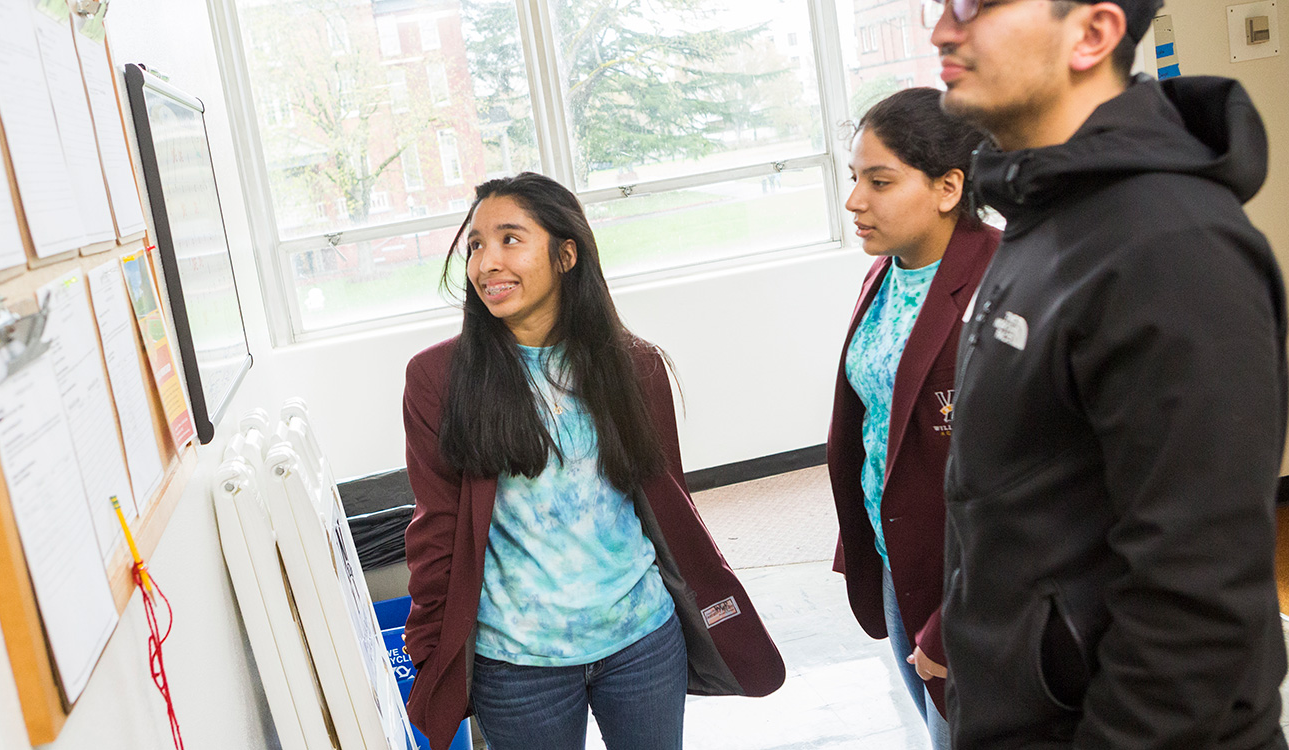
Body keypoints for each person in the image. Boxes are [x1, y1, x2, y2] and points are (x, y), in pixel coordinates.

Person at [925, 0, 1289, 746]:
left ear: (1091, 35)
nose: (940, 29)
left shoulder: (1169, 245)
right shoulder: (1042, 214)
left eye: (974, 4)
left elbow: (1197, 598)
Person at [400, 172, 785, 750]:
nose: (485, 263)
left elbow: (666, 507)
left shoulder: (636, 366)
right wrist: (431, 649)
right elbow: (437, 530)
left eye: (510, 239)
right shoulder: (438, 380)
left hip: (642, 642)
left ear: (566, 254)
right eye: (475, 245)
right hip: (516, 663)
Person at [827, 87, 999, 750]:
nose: (854, 201)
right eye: (853, 179)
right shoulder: (885, 273)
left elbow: (1015, 490)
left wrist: (952, 624)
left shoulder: (999, 280)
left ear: (948, 186)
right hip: (898, 555)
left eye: (879, 181)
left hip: (972, 586)